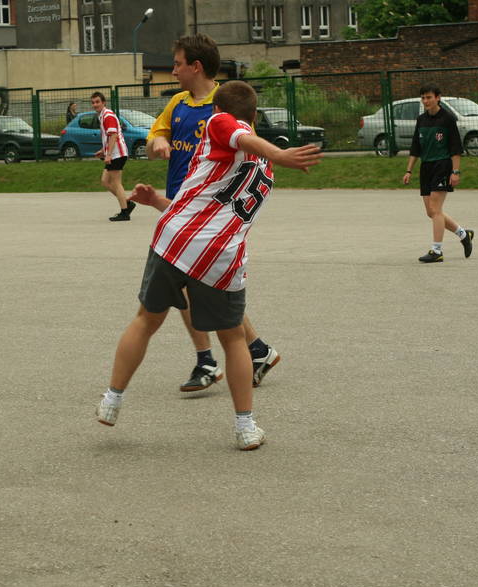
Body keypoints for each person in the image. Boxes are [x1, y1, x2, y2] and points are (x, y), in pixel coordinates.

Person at [96, 80, 322, 450]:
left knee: (146, 320)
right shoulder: (265, 169)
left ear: (219, 111)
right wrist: (158, 201)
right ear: (255, 115)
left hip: (177, 243)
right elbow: (209, 204)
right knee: (233, 339)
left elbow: (237, 135)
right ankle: (245, 426)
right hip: (221, 256)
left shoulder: (220, 123)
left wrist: (281, 153)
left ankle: (112, 399)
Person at [138, 33, 281, 394]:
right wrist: (159, 142)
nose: (173, 71)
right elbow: (154, 139)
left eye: (177, 64)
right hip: (181, 203)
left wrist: (278, 158)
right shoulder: (177, 103)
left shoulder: (227, 105)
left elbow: (247, 150)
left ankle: (209, 359)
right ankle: (255, 350)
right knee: (204, 289)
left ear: (196, 66)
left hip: (207, 212)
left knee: (196, 289)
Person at [403, 85, 473, 263]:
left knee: (435, 209)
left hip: (442, 165)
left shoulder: (448, 119)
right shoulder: (421, 120)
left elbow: (455, 148)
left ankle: (436, 251)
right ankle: (463, 234)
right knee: (431, 212)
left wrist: (455, 171)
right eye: (423, 98)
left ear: (438, 98)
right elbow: (415, 148)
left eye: (429, 97)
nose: (425, 101)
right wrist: (409, 170)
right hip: (426, 167)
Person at [90, 91, 136, 222]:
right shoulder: (102, 116)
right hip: (113, 154)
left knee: (116, 183)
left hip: (117, 154)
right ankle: (127, 203)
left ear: (104, 102)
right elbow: (109, 137)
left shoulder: (108, 116)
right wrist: (103, 151)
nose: (95, 104)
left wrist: (108, 154)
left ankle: (125, 212)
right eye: (93, 102)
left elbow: (114, 136)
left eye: (97, 102)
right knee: (105, 181)